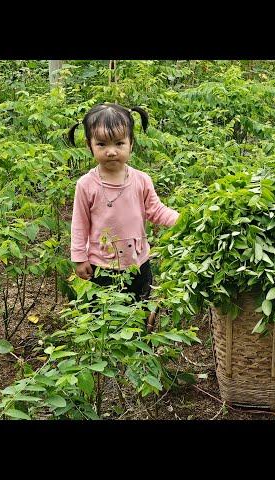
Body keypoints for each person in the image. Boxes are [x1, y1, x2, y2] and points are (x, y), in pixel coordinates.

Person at [68, 103, 179, 329]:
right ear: (89, 146)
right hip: (102, 267)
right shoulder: (86, 185)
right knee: (104, 318)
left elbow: (156, 210)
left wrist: (183, 220)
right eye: (102, 144)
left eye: (119, 143)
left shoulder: (141, 180)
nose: (111, 151)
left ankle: (139, 349)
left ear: (131, 144)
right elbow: (79, 223)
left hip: (138, 263)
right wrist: (79, 258)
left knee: (138, 312)